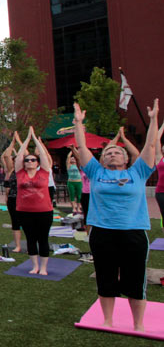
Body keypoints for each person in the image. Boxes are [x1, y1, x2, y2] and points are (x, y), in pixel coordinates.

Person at [72, 100, 159, 332]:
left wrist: (153, 120)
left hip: (133, 232)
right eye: (108, 152)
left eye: (117, 152)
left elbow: (151, 147)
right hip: (102, 232)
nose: (112, 154)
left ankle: (138, 324)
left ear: (127, 158)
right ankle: (108, 320)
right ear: (102, 160)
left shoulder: (138, 171)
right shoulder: (96, 172)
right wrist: (78, 124)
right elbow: (81, 148)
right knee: (106, 278)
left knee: (134, 280)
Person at [14, 127, 54, 275]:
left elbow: (43, 155)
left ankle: (43, 268)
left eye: (33, 160)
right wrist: (26, 140)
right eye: (27, 160)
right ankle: (35, 266)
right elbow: (19, 156)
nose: (29, 161)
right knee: (30, 239)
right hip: (24, 212)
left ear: (37, 163)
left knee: (43, 239)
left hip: (44, 211)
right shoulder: (20, 174)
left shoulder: (43, 171)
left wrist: (35, 139)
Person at [2, 134, 24, 252]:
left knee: (27, 222)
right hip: (12, 198)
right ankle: (18, 245)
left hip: (24, 199)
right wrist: (13, 141)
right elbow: (6, 155)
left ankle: (32, 243)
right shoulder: (11, 170)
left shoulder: (24, 170)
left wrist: (20, 141)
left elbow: (25, 153)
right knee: (15, 222)